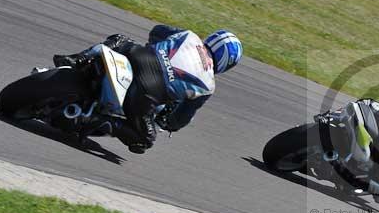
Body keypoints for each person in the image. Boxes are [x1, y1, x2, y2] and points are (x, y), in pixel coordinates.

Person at [53, 25, 242, 153]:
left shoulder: (190, 36)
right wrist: (166, 121)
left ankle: (77, 59)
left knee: (119, 40)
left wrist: (158, 49)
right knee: (145, 139)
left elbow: (157, 31)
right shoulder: (208, 85)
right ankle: (94, 120)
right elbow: (179, 119)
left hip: (138, 56)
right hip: (147, 92)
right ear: (228, 64)